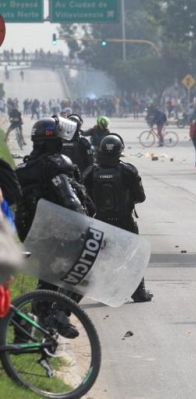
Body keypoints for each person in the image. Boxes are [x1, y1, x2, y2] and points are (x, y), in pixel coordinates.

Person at [15, 117, 93, 320]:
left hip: (30, 234)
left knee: (47, 279)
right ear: (54, 141)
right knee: (85, 273)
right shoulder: (58, 164)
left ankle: (42, 327)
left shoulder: (22, 170)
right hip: (58, 233)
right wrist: (87, 227)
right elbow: (71, 201)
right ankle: (60, 313)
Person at [83, 135, 152, 302]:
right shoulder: (128, 171)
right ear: (120, 150)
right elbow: (140, 197)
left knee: (103, 258)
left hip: (100, 220)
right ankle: (138, 293)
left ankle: (106, 291)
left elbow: (84, 198)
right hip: (124, 220)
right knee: (134, 256)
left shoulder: (91, 172)